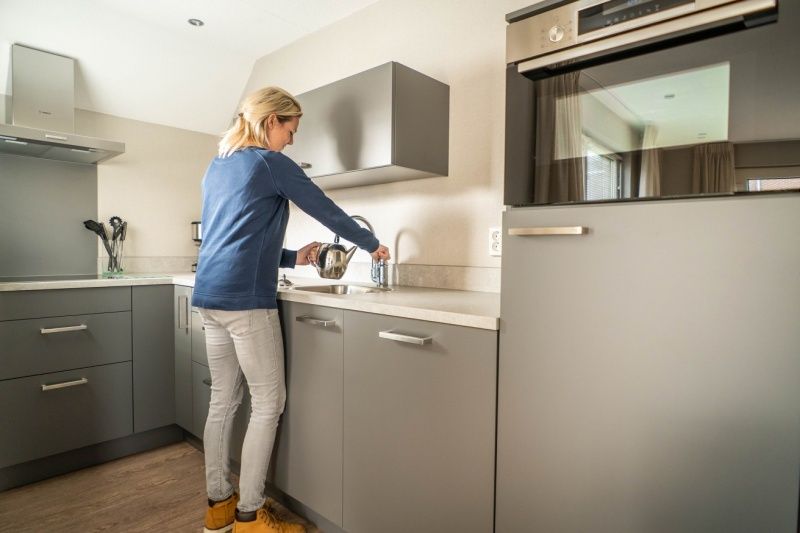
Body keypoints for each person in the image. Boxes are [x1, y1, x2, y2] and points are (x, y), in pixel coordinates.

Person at [193, 86, 390, 533]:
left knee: (222, 400)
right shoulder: (269, 162)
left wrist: (291, 257)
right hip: (245, 300)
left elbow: (229, 235)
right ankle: (249, 516)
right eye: (290, 129)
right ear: (270, 123)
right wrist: (372, 244)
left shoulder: (218, 166)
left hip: (209, 295)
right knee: (268, 402)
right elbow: (325, 209)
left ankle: (218, 507)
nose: (292, 140)